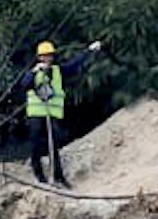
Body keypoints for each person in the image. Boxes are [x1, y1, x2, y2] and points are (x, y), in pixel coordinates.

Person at [23, 39, 102, 187]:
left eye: (50, 55)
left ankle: (58, 176)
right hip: (36, 113)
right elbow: (24, 85)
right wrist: (35, 72)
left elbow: (75, 64)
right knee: (36, 144)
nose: (47, 58)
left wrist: (89, 51)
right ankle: (39, 175)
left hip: (51, 113)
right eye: (44, 56)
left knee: (53, 144)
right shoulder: (34, 72)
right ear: (39, 57)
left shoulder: (58, 71)